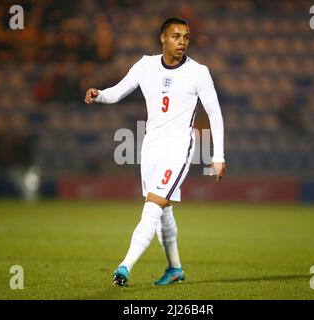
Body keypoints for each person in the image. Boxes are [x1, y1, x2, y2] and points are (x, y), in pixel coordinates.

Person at [85, 17, 226, 286]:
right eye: (176, 36)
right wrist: (99, 94)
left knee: (151, 208)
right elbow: (117, 92)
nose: (182, 41)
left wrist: (217, 156)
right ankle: (175, 269)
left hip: (179, 148)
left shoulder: (199, 72)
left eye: (185, 36)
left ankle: (124, 267)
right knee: (162, 209)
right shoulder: (146, 65)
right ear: (163, 38)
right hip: (150, 147)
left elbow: (215, 114)